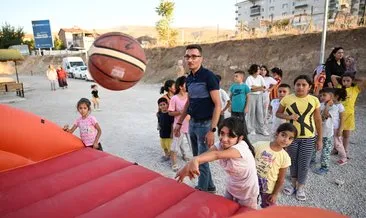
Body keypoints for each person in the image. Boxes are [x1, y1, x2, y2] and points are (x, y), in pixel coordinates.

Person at [176, 117, 259, 209]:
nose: (224, 139)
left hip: (248, 192)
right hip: (232, 187)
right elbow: (205, 156)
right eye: (222, 133)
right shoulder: (221, 145)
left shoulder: (241, 148)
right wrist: (187, 166)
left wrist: (195, 160)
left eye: (230, 136)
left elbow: (216, 155)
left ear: (240, 138)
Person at [173, 44, 221, 193]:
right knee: (197, 158)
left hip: (205, 125)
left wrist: (212, 130)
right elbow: (189, 101)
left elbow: (218, 104)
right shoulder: (190, 79)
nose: (190, 59)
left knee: (201, 161)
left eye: (194, 56)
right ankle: (210, 187)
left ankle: (202, 190)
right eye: (187, 56)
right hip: (192, 123)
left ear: (201, 58)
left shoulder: (209, 77)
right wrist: (179, 122)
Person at [276, 75, 323, 201]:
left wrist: (320, 139)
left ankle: (301, 186)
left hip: (308, 137)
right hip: (292, 138)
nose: (300, 87)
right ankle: (292, 184)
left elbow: (318, 119)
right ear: (294, 86)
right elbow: (278, 113)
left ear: (309, 87)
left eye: (304, 85)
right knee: (293, 162)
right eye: (298, 84)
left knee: (304, 163)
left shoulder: (314, 100)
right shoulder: (287, 99)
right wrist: (289, 116)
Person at [255, 123, 297, 208]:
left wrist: (275, 194)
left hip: (268, 188)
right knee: (248, 206)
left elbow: (281, 179)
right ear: (277, 133)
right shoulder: (259, 145)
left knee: (268, 209)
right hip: (252, 183)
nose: (286, 140)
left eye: (290, 138)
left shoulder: (285, 157)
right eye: (283, 135)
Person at [331, 73, 366, 163]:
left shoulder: (355, 89)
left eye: (348, 81)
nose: (345, 82)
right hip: (338, 116)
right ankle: (336, 149)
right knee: (336, 134)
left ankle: (345, 151)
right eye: (344, 80)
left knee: (346, 135)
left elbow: (364, 80)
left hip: (349, 116)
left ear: (352, 81)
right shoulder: (339, 87)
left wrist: (353, 80)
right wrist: (343, 78)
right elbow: (333, 77)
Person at [311, 88, 339, 175]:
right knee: (313, 148)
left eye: (324, 95)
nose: (322, 97)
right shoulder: (319, 105)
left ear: (331, 97)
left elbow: (324, 116)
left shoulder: (334, 108)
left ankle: (324, 167)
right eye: (321, 95)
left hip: (327, 134)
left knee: (325, 151)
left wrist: (327, 106)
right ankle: (311, 161)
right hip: (317, 132)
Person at [168, 76, 191, 171]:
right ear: (181, 86)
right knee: (175, 145)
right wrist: (181, 112)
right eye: (187, 83)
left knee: (191, 144)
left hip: (190, 125)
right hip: (179, 125)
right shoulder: (174, 98)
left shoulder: (191, 96)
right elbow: (170, 112)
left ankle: (185, 155)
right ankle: (174, 163)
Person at [245, 64, 268, 136]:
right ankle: (251, 129)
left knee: (260, 113)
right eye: (258, 69)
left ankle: (261, 129)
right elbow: (249, 89)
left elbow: (264, 88)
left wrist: (255, 87)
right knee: (251, 113)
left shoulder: (260, 77)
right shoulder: (249, 78)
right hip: (251, 96)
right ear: (254, 70)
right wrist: (258, 88)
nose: (259, 71)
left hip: (259, 96)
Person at [331, 88, 347, 165]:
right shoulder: (331, 104)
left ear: (336, 96)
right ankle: (335, 150)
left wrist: (340, 129)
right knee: (333, 141)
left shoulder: (340, 106)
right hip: (330, 127)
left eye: (331, 95)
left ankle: (344, 157)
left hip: (336, 128)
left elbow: (342, 119)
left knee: (338, 143)